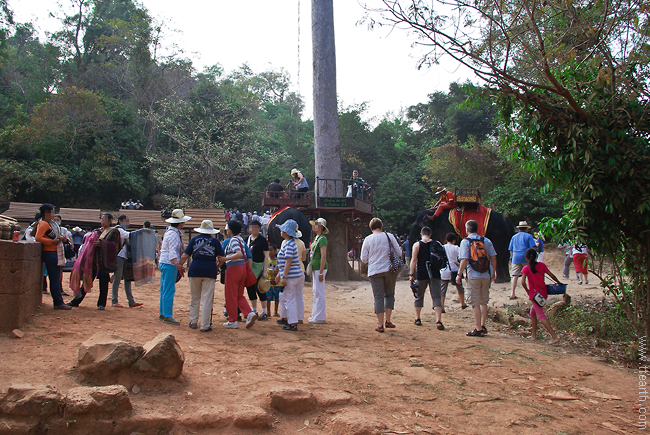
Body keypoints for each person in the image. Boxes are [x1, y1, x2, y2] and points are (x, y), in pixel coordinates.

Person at [67, 213, 122, 310]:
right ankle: (76, 301)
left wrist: (102, 244)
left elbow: (114, 246)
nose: (102, 221)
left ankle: (101, 304)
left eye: (104, 219)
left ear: (109, 221)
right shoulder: (97, 231)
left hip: (103, 262)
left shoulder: (113, 232)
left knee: (104, 283)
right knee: (86, 282)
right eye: (101, 219)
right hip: (93, 261)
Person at [179, 220, 224, 332]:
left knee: (195, 297)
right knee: (207, 298)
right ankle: (204, 325)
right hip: (209, 271)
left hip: (195, 269)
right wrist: (217, 267)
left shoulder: (194, 240)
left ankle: (193, 321)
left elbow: (185, 255)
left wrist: (179, 265)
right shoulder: (215, 241)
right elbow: (221, 258)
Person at [360, 218, 402, 333]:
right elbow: (399, 252)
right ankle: (388, 320)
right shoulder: (389, 236)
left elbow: (363, 259)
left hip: (374, 271)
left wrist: (372, 260)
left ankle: (380, 324)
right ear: (381, 227)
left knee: (378, 297)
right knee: (389, 294)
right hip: (389, 269)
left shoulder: (368, 239)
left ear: (371, 228)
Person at [457, 219, 497, 337]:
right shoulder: (486, 240)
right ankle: (483, 326)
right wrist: (493, 272)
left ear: (467, 229)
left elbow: (464, 259)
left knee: (475, 302)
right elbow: (493, 257)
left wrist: (459, 275)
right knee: (484, 301)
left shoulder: (465, 242)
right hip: (486, 274)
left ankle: (478, 328)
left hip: (473, 274)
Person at [218, 220, 258, 329]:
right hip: (242, 269)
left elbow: (238, 254)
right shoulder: (241, 239)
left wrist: (225, 259)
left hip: (233, 268)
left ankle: (233, 320)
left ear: (230, 229)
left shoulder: (233, 240)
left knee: (230, 295)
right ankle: (249, 313)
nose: (226, 230)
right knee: (239, 295)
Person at [34, 204, 71, 310]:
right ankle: (58, 302)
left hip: (52, 252)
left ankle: (58, 301)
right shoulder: (44, 224)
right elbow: (38, 237)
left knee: (55, 278)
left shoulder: (49, 224)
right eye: (51, 212)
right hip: (50, 252)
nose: (53, 214)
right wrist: (52, 241)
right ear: (46, 213)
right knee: (55, 279)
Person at [521, 248, 560, 345]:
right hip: (543, 293)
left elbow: (523, 282)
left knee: (541, 315)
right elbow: (551, 275)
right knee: (532, 313)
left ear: (526, 258)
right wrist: (559, 283)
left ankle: (554, 337)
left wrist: (527, 291)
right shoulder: (542, 265)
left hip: (534, 295)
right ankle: (534, 335)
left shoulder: (526, 268)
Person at [158, 209, 191, 325]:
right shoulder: (173, 234)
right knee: (169, 289)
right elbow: (172, 251)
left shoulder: (170, 232)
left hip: (165, 262)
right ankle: (167, 315)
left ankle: (163, 313)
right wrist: (177, 265)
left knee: (165, 288)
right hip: (170, 263)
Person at [409, 227, 445, 329]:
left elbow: (414, 260)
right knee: (436, 296)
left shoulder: (417, 245)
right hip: (435, 273)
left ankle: (418, 318)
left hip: (422, 273)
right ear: (430, 234)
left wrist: (411, 274)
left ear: (421, 235)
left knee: (419, 296)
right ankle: (438, 320)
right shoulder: (437, 243)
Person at [276, 219, 304, 331]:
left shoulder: (288, 244)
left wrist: (284, 276)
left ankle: (292, 323)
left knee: (289, 299)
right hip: (296, 275)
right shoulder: (291, 243)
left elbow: (288, 261)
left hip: (291, 276)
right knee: (290, 298)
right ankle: (291, 320)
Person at [111, 215, 143, 308]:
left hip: (124, 257)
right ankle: (114, 300)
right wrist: (141, 231)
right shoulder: (118, 230)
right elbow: (129, 235)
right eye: (125, 221)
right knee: (117, 279)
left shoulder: (121, 230)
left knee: (127, 279)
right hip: (119, 256)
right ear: (120, 221)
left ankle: (131, 301)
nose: (127, 223)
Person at [246, 220, 270, 321]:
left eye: (256, 227)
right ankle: (254, 310)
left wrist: (265, 270)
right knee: (250, 288)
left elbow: (266, 255)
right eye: (252, 227)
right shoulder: (247, 239)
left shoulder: (262, 240)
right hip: (249, 268)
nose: (254, 229)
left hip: (259, 267)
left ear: (259, 228)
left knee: (260, 289)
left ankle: (264, 312)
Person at [508, 221, 537, 300]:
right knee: (530, 274)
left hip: (516, 257)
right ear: (526, 229)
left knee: (515, 276)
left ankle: (512, 293)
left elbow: (511, 249)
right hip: (526, 257)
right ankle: (532, 292)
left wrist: (512, 258)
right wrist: (533, 259)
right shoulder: (528, 236)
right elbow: (532, 248)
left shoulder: (514, 237)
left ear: (519, 229)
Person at [440, 232, 467, 311]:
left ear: (446, 239)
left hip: (444, 270)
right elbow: (462, 257)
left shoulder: (442, 247)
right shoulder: (456, 248)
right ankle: (462, 303)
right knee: (459, 287)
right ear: (454, 240)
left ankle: (442, 306)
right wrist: (458, 264)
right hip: (454, 270)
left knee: (443, 288)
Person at [308, 218, 328, 324]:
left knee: (319, 292)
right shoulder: (317, 238)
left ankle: (320, 316)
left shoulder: (322, 239)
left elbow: (323, 256)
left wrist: (321, 271)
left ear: (320, 227)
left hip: (319, 269)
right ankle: (315, 314)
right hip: (315, 268)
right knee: (316, 291)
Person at [266, 244, 282, 317]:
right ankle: (268, 311)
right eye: (268, 250)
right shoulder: (267, 260)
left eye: (271, 250)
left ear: (275, 251)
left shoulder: (278, 261)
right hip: (268, 283)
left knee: (277, 298)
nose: (270, 252)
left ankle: (275, 311)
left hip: (277, 283)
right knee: (268, 298)